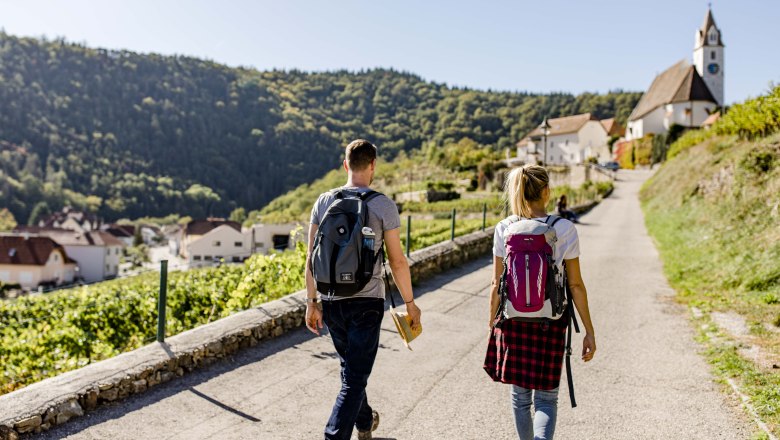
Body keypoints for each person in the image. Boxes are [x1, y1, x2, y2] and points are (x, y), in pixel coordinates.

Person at [305, 139, 422, 440]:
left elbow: (311, 259)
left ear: (345, 165)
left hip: (332, 302)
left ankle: (365, 422)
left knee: (351, 371)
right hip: (367, 302)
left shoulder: (323, 201)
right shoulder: (382, 205)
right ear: (373, 166)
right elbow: (397, 262)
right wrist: (410, 303)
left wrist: (311, 302)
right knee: (354, 377)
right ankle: (334, 436)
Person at [486, 165, 596, 440]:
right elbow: (576, 285)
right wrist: (589, 331)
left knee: (520, 398)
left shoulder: (505, 228)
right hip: (551, 322)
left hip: (514, 321)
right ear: (546, 192)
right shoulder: (564, 228)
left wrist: (491, 325)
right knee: (547, 399)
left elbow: (496, 284)